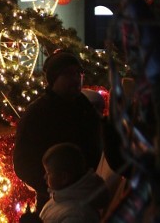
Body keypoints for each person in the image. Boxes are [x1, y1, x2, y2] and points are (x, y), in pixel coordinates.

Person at [13, 50, 102, 213]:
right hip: (54, 200)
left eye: (78, 73)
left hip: (85, 196)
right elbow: (23, 162)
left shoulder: (85, 108)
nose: (75, 79)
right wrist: (52, 186)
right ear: (54, 79)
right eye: (68, 74)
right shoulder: (38, 113)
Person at [40, 143, 109, 223]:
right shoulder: (59, 199)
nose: (44, 177)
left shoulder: (78, 215)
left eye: (48, 173)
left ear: (64, 177)